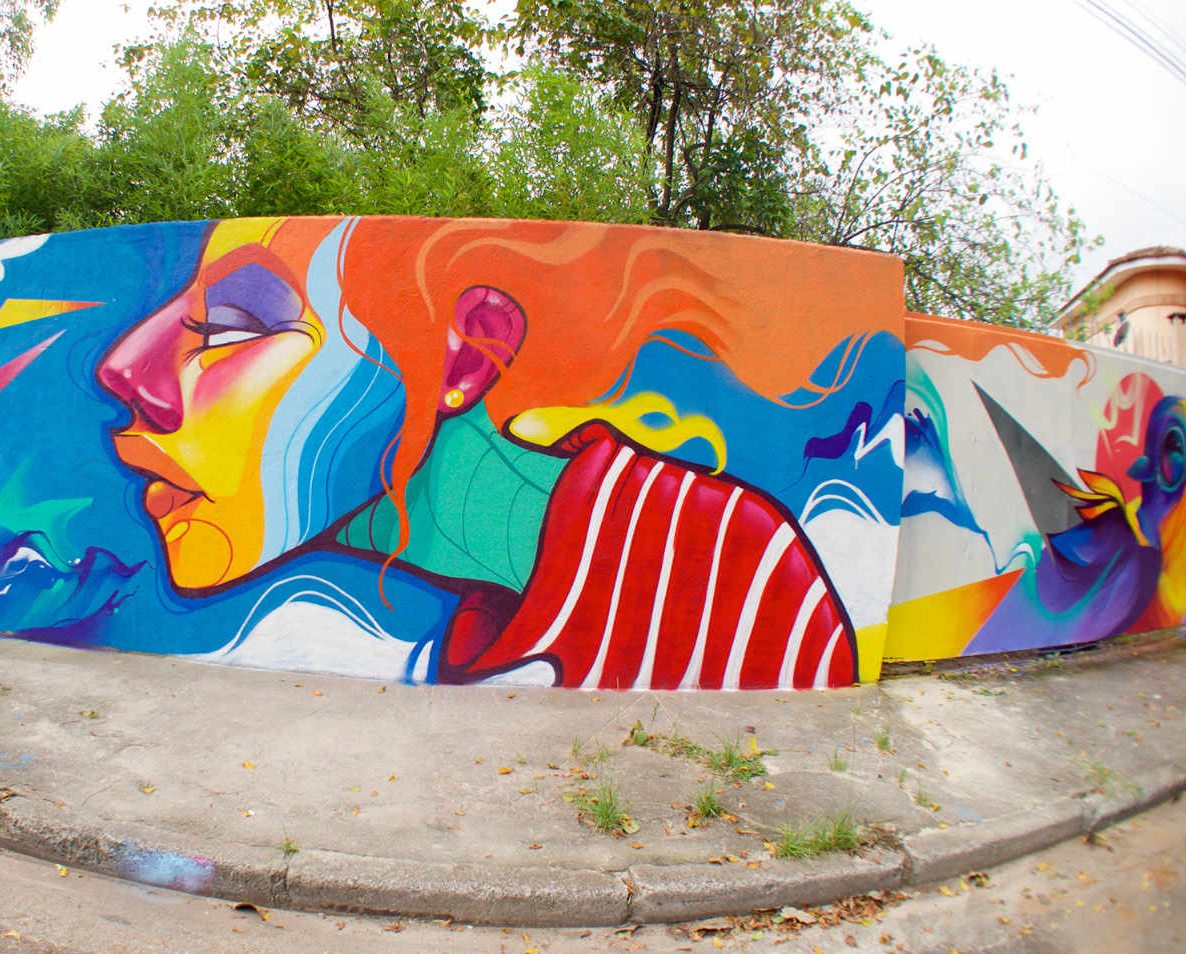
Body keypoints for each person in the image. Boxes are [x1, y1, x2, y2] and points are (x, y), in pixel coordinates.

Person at [97, 215, 878, 689]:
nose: (126, 372)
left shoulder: (724, 566)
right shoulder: (480, 639)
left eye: (235, 322)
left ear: (464, 356)